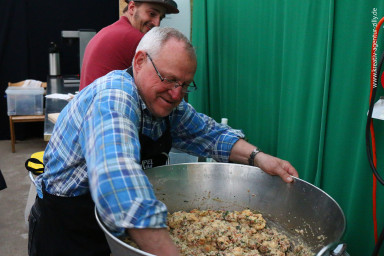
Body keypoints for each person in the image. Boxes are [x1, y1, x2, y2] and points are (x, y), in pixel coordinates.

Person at [28, 27, 299, 256]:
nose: (176, 93)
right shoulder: (114, 98)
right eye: (169, 79)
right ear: (139, 62)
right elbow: (119, 183)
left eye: (185, 84)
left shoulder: (164, 102)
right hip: (67, 232)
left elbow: (207, 133)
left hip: (111, 235)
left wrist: (259, 158)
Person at [79, 0, 179, 91]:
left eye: (160, 18)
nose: (157, 24)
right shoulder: (136, 39)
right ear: (132, 8)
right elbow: (164, 86)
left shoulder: (106, 31)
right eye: (152, 14)